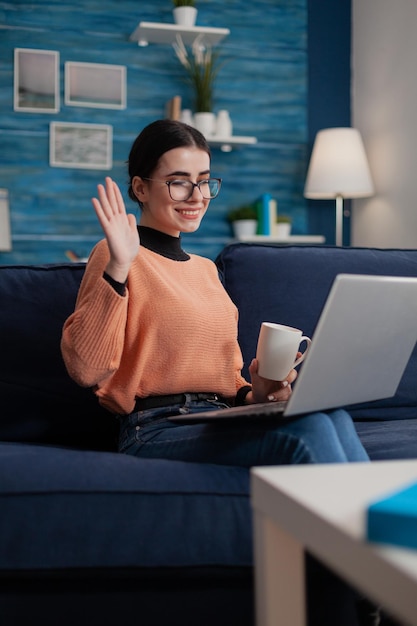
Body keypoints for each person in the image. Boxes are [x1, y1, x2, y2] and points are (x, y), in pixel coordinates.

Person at [61, 119, 369, 467]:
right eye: (179, 182)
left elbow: (222, 379)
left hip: (217, 417)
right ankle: (373, 522)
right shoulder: (117, 254)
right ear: (141, 188)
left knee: (335, 417)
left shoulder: (206, 269)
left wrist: (259, 394)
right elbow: (86, 370)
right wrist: (118, 265)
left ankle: (374, 519)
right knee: (310, 429)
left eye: (204, 182)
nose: (197, 196)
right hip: (154, 428)